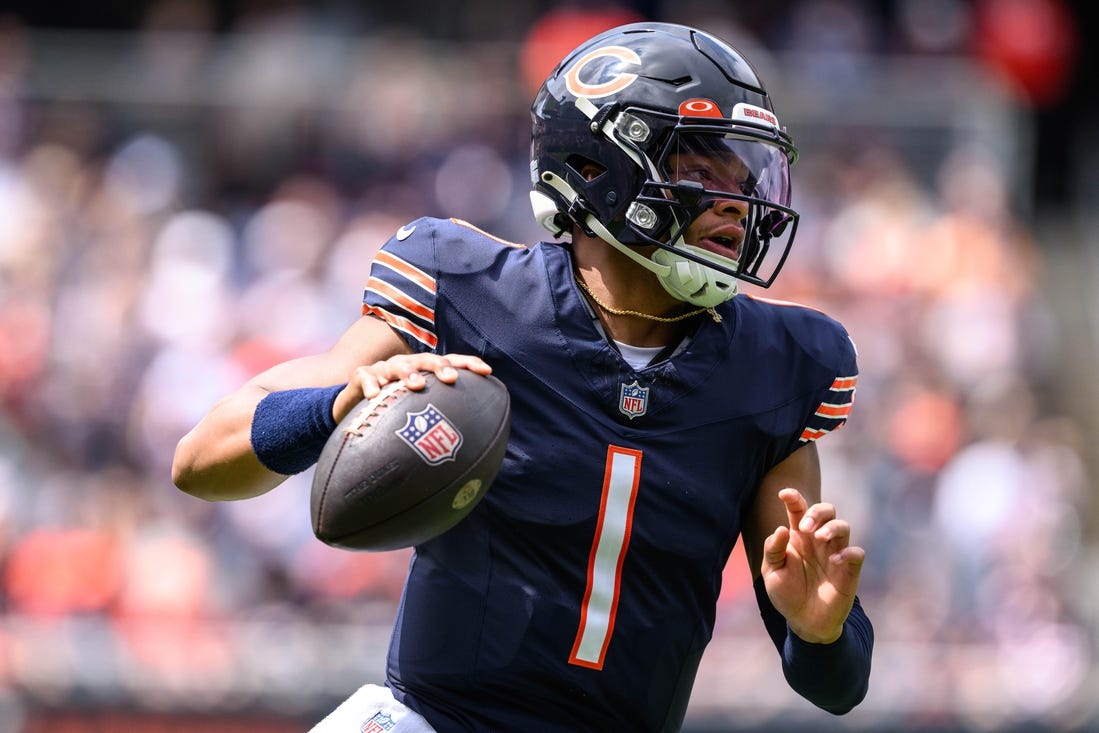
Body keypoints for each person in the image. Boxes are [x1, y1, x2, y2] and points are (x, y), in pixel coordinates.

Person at [173, 21, 873, 733]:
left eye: (742, 175)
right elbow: (200, 461)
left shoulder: (781, 364)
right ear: (595, 168)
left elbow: (837, 684)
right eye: (698, 171)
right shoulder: (469, 288)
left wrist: (818, 631)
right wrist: (334, 406)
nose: (734, 200)